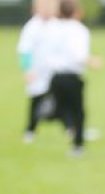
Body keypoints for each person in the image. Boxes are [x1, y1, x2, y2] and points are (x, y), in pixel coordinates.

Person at [42, 0, 89, 157]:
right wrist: (92, 60)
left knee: (61, 108)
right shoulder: (79, 30)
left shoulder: (51, 28)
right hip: (72, 76)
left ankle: (69, 128)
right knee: (78, 112)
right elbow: (79, 55)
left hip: (55, 76)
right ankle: (78, 145)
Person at [17, 0, 58, 144]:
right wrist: (27, 69)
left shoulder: (56, 24)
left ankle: (71, 129)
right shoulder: (32, 27)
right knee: (37, 101)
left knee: (63, 100)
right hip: (37, 71)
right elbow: (24, 50)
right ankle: (30, 130)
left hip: (56, 71)